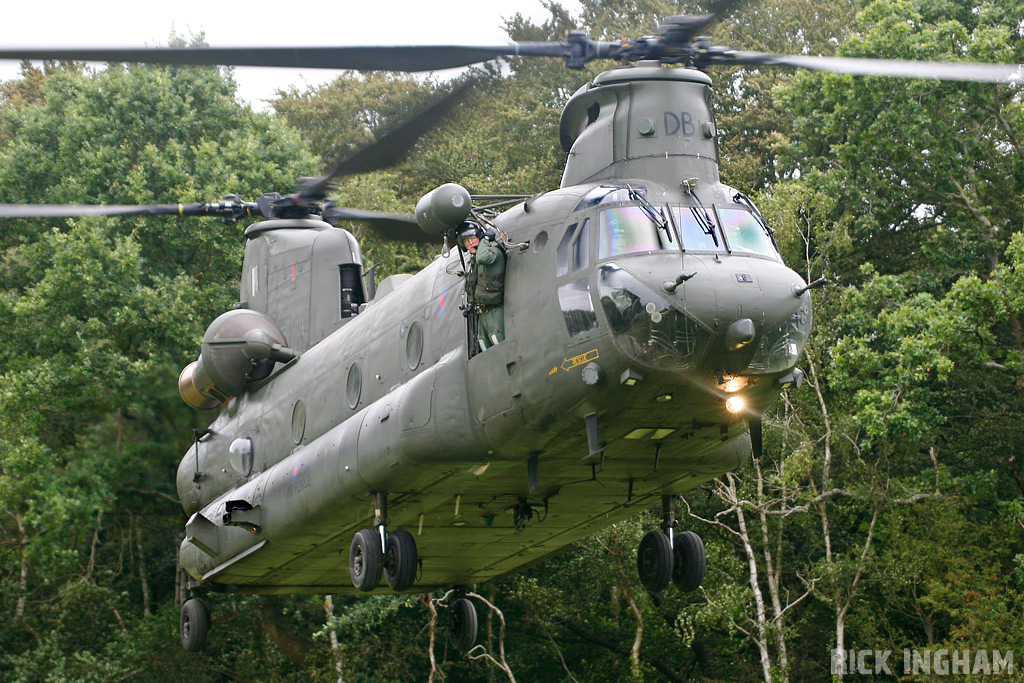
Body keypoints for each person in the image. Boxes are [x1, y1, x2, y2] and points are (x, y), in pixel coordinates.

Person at [458, 223, 506, 348]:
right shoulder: (473, 264)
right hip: (482, 313)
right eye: (466, 241)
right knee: (483, 344)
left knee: (498, 343)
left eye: (472, 238)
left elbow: (483, 257)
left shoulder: (493, 254)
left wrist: (485, 240)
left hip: (494, 311)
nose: (470, 243)